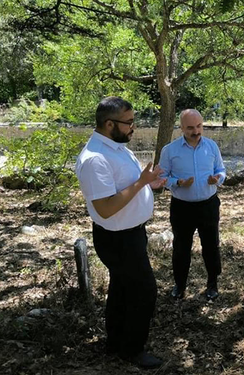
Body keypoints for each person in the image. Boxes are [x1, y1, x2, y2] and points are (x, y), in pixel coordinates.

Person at [75, 96, 166, 369]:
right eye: (128, 123)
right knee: (144, 291)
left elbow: (127, 186)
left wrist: (151, 184)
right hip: (118, 239)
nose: (133, 128)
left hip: (132, 235)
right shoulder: (95, 159)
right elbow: (105, 208)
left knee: (122, 289)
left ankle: (115, 343)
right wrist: (141, 182)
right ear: (109, 123)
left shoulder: (116, 147)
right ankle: (132, 350)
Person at [159, 109, 226, 300]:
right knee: (181, 247)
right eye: (190, 128)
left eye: (199, 126)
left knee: (211, 246)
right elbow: (162, 177)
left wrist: (218, 178)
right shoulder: (169, 150)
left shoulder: (211, 146)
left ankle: (212, 284)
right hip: (182, 207)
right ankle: (179, 285)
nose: (196, 131)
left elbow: (221, 169)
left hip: (208, 205)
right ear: (181, 128)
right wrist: (178, 182)